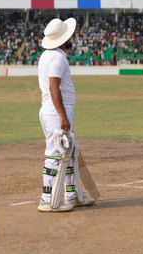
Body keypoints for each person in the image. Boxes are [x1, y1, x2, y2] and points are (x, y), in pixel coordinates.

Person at [37, 17, 95, 212]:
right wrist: (62, 116)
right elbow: (54, 88)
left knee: (68, 155)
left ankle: (72, 195)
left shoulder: (48, 54)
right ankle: (47, 199)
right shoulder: (57, 57)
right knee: (55, 155)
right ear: (63, 39)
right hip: (56, 113)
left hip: (54, 111)